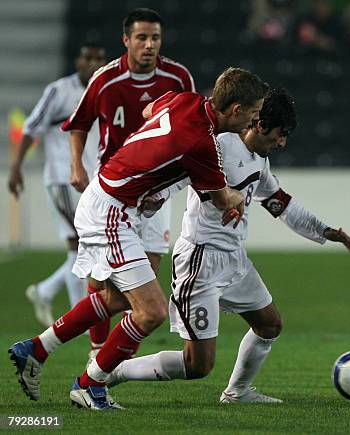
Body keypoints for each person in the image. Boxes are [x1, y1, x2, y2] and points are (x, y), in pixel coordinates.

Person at [9, 67, 270, 411]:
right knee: (151, 312)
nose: (254, 121)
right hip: (111, 213)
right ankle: (90, 384)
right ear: (235, 110)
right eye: (254, 113)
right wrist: (235, 196)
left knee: (116, 298)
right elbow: (222, 199)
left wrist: (149, 166)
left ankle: (36, 349)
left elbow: (149, 113)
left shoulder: (184, 100)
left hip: (111, 199)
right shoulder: (202, 144)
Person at [104, 88, 350, 404]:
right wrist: (153, 197)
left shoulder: (259, 161)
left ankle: (238, 392)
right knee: (198, 365)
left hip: (235, 260)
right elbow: (179, 173)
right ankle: (112, 370)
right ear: (261, 125)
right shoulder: (219, 145)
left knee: (269, 324)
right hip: (200, 261)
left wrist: (326, 232)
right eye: (281, 134)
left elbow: (282, 204)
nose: (283, 143)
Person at [62, 8, 195, 355]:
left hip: (156, 195)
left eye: (155, 38)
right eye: (141, 37)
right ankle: (99, 350)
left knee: (143, 280)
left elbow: (192, 129)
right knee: (102, 278)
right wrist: (76, 165)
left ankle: (113, 353)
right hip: (113, 193)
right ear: (126, 40)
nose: (149, 45)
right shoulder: (105, 80)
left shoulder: (178, 78)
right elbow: (79, 124)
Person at [7, 42, 106, 326]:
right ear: (78, 60)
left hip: (94, 182)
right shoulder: (59, 91)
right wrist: (16, 168)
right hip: (63, 177)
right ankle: (80, 318)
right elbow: (31, 127)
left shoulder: (106, 91)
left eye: (99, 58)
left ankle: (45, 291)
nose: (93, 63)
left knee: (88, 245)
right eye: (88, 57)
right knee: (81, 243)